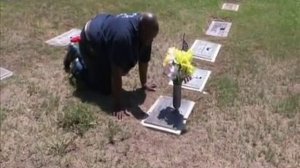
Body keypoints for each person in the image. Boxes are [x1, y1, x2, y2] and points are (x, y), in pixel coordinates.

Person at [64, 12, 159, 119]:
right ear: (142, 29)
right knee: (106, 88)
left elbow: (143, 59)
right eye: (149, 38)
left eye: (152, 38)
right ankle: (77, 58)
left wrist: (144, 83)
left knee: (122, 62)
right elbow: (116, 72)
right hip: (91, 39)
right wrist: (117, 105)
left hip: (105, 31)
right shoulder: (124, 37)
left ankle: (87, 59)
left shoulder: (145, 31)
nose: (150, 41)